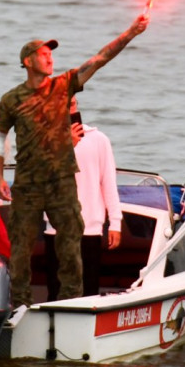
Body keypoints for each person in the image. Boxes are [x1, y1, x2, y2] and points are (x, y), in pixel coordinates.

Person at [0, 14, 149, 308]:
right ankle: (19, 305)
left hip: (63, 182)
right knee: (20, 250)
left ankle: (71, 305)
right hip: (27, 183)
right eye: (43, 54)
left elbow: (100, 59)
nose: (49, 58)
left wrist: (131, 33)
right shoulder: (11, 99)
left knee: (70, 249)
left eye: (51, 54)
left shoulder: (63, 85)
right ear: (27, 61)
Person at [44, 96, 123, 300]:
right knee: (57, 291)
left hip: (90, 227)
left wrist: (115, 222)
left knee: (88, 291)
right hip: (57, 228)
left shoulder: (99, 140)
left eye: (71, 104)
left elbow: (108, 182)